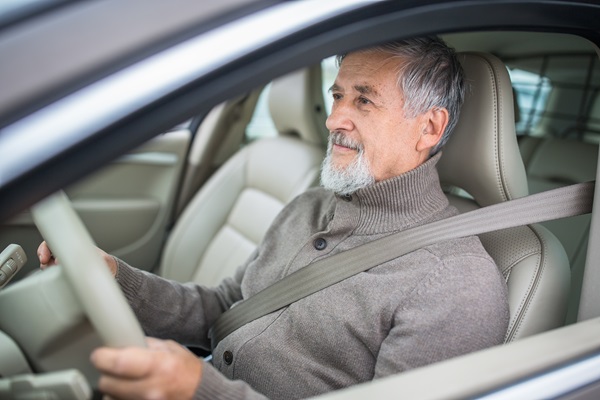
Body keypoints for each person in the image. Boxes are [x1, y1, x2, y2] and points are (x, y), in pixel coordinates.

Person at [39, 36, 509, 400]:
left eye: (364, 100)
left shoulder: (455, 282)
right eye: (338, 95)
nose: (334, 119)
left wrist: (198, 388)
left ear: (429, 128)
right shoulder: (309, 205)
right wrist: (115, 278)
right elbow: (223, 307)